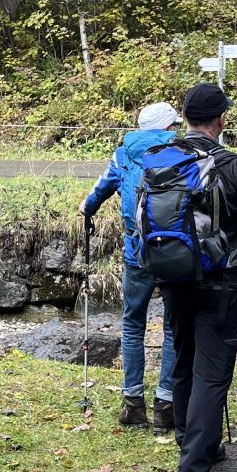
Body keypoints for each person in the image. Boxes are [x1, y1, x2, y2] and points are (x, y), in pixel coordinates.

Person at [156, 84, 237, 472]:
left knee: (183, 361)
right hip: (217, 284)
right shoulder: (233, 166)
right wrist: (228, 247)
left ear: (184, 118)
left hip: (171, 279)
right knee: (212, 375)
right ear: (220, 119)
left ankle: (193, 444)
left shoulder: (162, 161)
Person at [79, 101, 180, 428]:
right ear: (167, 127)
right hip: (174, 251)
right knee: (171, 327)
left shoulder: (123, 154)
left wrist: (87, 209)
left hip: (137, 250)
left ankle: (132, 404)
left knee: (134, 323)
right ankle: (165, 406)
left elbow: (96, 194)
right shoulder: (180, 150)